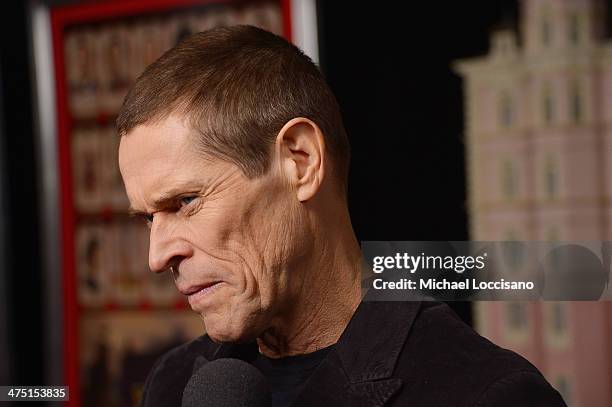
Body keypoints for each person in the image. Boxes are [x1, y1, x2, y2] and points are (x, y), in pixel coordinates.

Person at [117, 25, 565, 406]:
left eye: (185, 202)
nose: (157, 256)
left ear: (302, 161)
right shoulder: (172, 384)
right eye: (148, 218)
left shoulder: (485, 394)